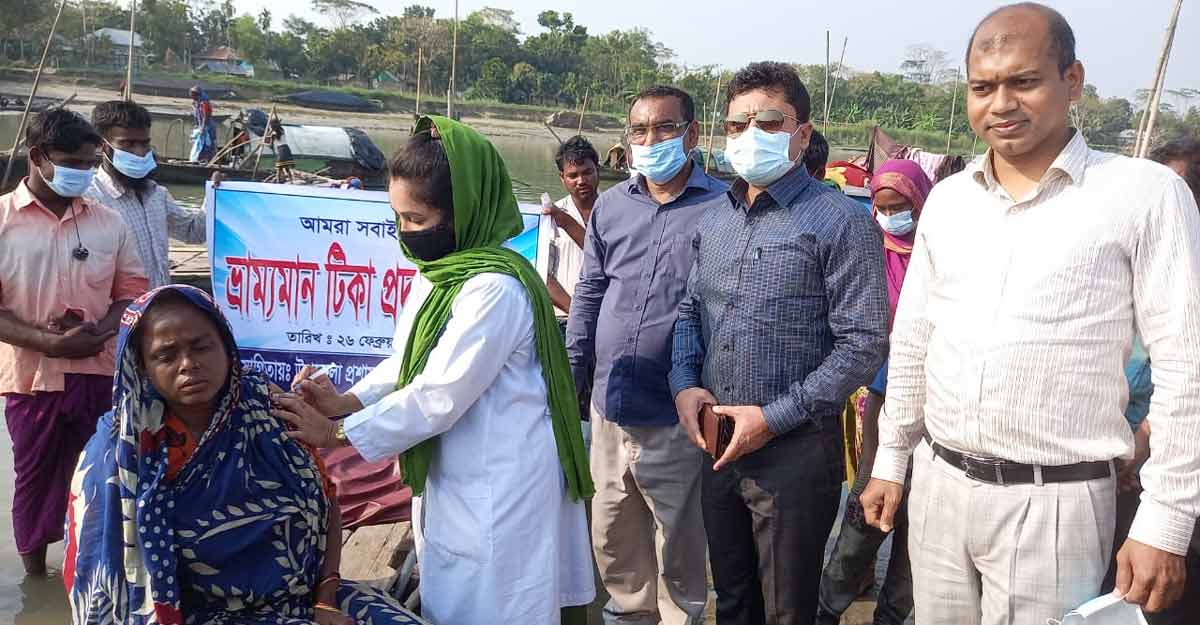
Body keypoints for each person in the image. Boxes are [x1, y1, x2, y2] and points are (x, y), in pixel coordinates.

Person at [860, 4, 1200, 623]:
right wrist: (892, 458)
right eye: (982, 87)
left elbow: (1185, 365)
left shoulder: (1143, 194)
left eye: (1023, 82)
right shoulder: (950, 201)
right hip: (939, 482)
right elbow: (913, 340)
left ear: (1072, 80)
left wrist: (1166, 520)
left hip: (1056, 500)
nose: (1001, 104)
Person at [272, 116, 595, 625]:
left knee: (500, 609)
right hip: (457, 478)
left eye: (417, 219)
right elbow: (408, 363)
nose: (405, 232)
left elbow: (437, 395)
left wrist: (336, 433)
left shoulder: (495, 288)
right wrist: (346, 400)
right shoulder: (439, 275)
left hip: (501, 482)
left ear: (461, 210)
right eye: (398, 217)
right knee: (455, 599)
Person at [670, 61, 889, 625]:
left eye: (767, 122)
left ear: (802, 133)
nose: (750, 135)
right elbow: (692, 310)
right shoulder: (715, 219)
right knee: (733, 599)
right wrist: (685, 384)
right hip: (719, 442)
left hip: (795, 452)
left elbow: (863, 343)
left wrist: (772, 418)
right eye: (737, 125)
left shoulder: (841, 221)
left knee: (788, 608)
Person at [63, 285, 424, 625]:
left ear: (226, 346)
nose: (188, 364)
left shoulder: (270, 411)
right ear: (142, 366)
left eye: (201, 347)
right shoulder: (122, 448)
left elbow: (327, 503)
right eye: (166, 355)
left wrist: (326, 596)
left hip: (303, 600)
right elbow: (102, 565)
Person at [567, 85, 726, 625]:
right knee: (611, 529)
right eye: (639, 130)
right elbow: (590, 292)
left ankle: (679, 616)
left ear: (692, 134)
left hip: (678, 411)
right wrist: (573, 373)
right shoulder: (612, 207)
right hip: (610, 403)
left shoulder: (724, 209)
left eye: (664, 128)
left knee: (679, 536)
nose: (651, 140)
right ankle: (628, 614)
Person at [0, 108, 148, 575]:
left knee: (100, 473)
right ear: (37, 157)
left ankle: (91, 570)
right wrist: (48, 343)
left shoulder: (109, 222)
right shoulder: (2, 220)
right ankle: (35, 576)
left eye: (89, 164)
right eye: (72, 163)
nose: (82, 173)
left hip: (99, 371)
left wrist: (100, 333)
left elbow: (131, 292)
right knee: (34, 476)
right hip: (31, 379)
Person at [816, 159, 931, 625]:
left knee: (922, 520)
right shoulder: (866, 248)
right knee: (869, 496)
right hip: (881, 390)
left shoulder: (941, 249)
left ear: (921, 203)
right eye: (882, 208)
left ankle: (892, 613)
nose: (890, 217)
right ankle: (828, 605)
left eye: (900, 207)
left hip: (943, 398)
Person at [1099, 136, 1200, 625]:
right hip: (1118, 478)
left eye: (1176, 193)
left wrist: (1137, 449)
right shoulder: (1128, 267)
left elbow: (1185, 384)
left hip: (1172, 494)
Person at [86, 100, 206, 289]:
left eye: (145, 144)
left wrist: (215, 194)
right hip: (117, 306)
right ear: (103, 146)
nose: (140, 152)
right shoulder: (90, 199)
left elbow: (194, 232)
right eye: (128, 144)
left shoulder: (157, 194)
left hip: (158, 302)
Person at [543, 135, 600, 319]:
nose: (581, 181)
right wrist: (576, 312)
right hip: (562, 318)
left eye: (587, 172)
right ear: (562, 178)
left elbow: (612, 259)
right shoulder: (549, 218)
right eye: (573, 175)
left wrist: (565, 221)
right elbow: (542, 274)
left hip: (606, 318)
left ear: (597, 170)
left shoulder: (617, 211)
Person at [189, 85, 217, 163]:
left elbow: (206, 116)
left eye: (192, 94)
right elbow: (197, 115)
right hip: (201, 125)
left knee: (208, 144)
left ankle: (209, 161)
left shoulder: (204, 102)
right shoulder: (195, 102)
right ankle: (199, 159)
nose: (191, 96)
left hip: (208, 126)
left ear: (197, 94)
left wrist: (202, 127)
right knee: (200, 143)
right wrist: (197, 125)